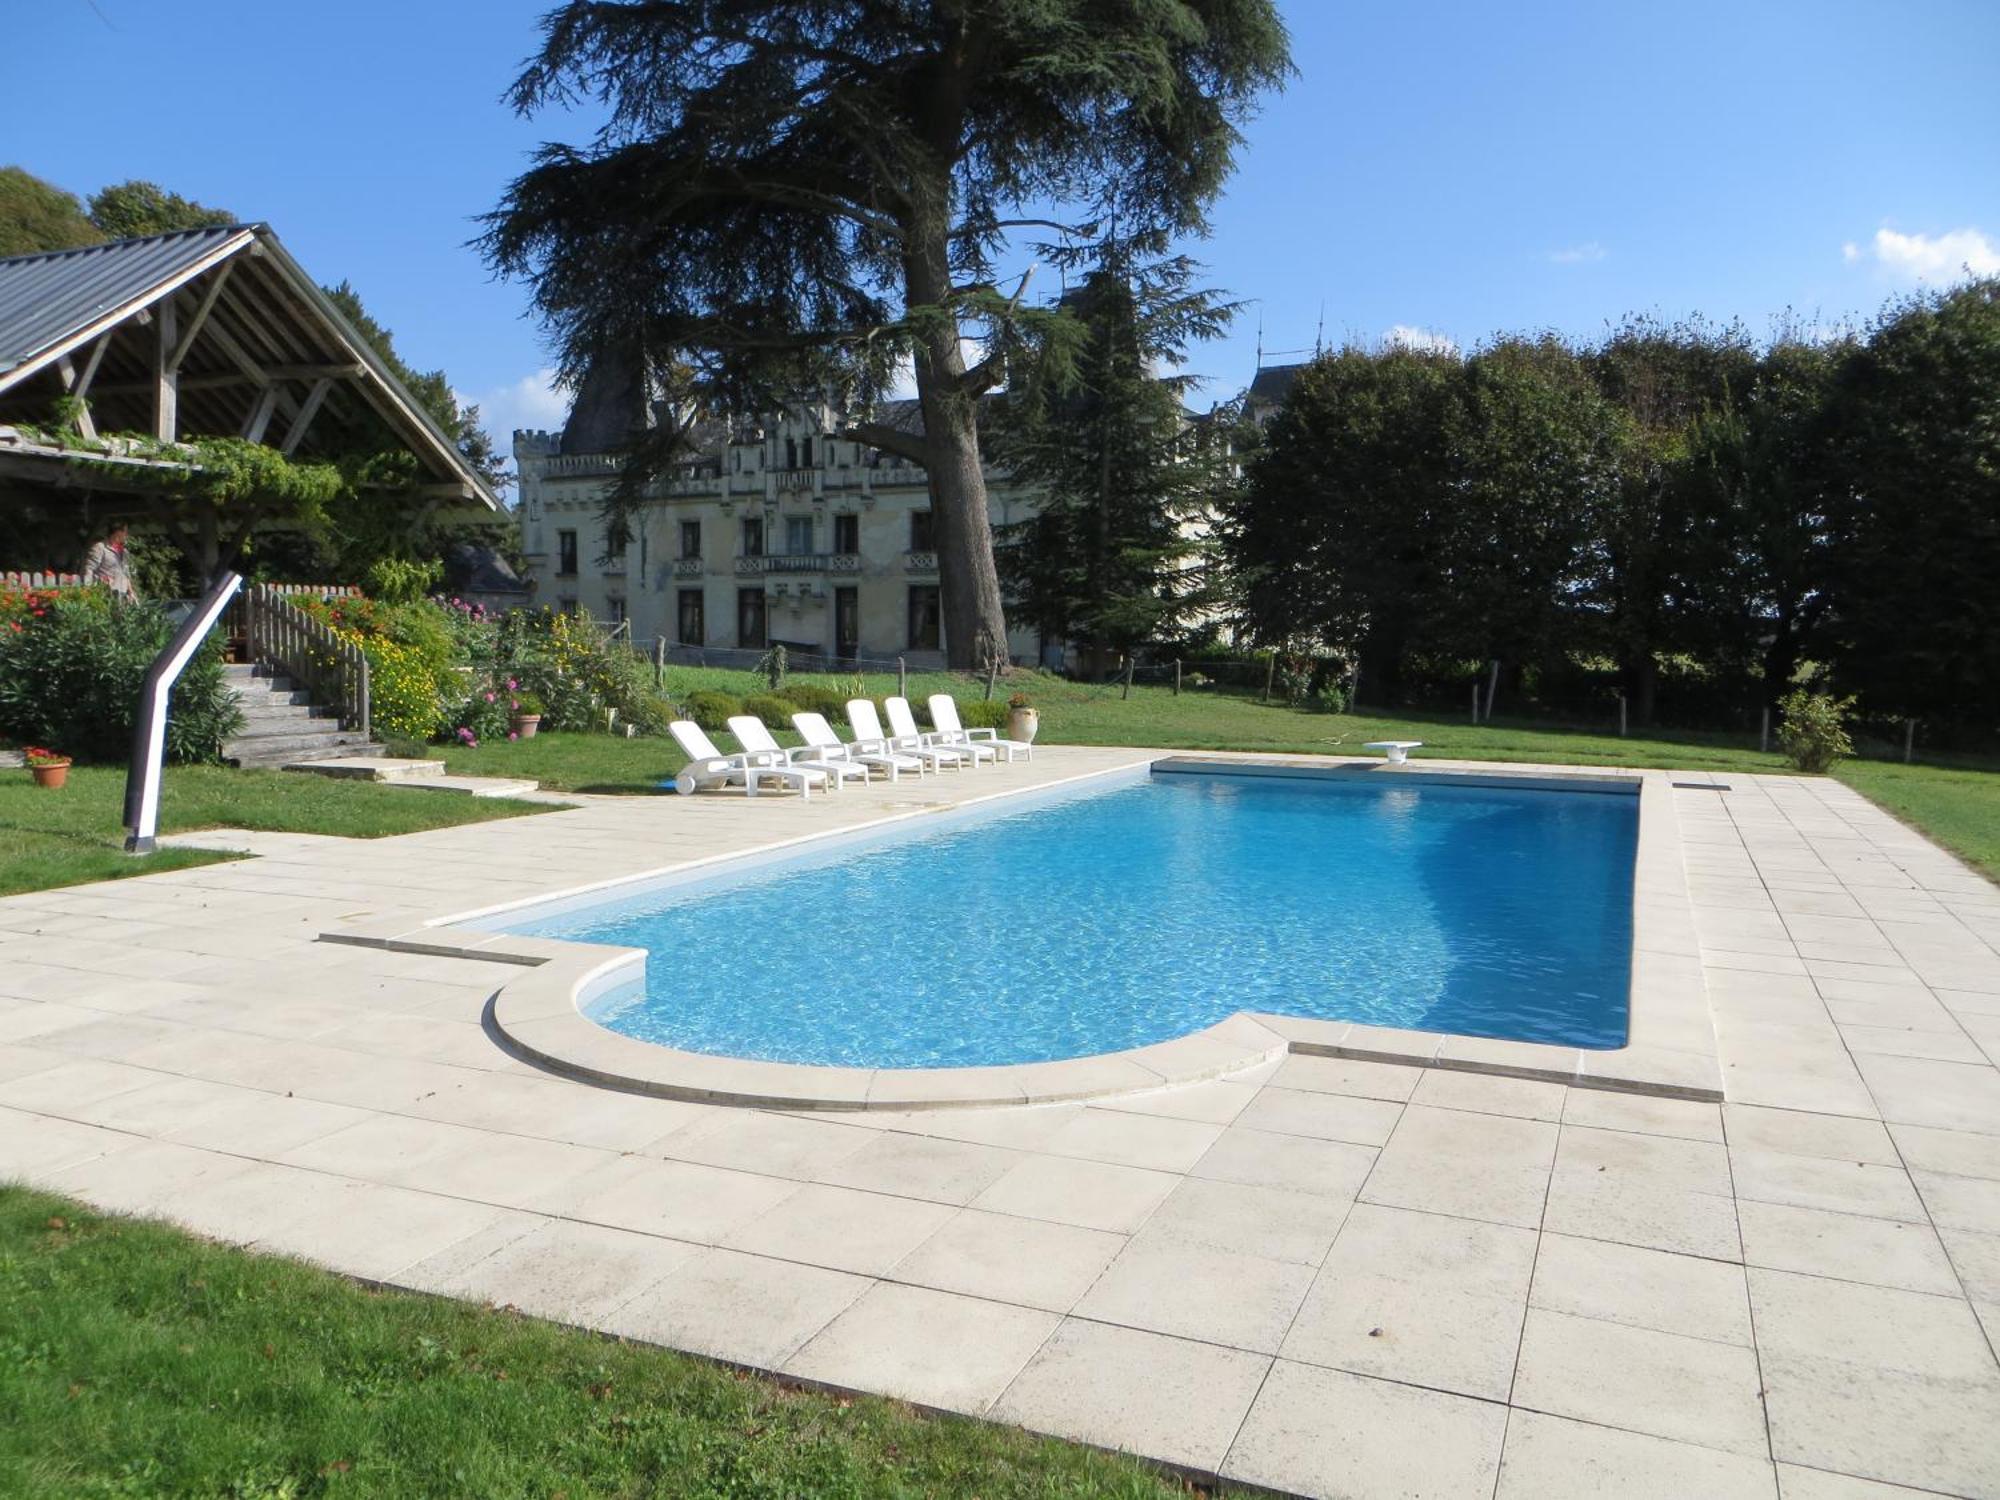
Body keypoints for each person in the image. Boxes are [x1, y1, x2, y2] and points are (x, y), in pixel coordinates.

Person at [81, 521, 137, 600]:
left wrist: (131, 592)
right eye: (125, 531)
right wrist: (87, 590)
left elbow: (125, 574)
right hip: (104, 593)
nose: (127, 534)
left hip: (122, 594)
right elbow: (89, 569)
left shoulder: (124, 552)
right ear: (118, 532)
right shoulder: (100, 547)